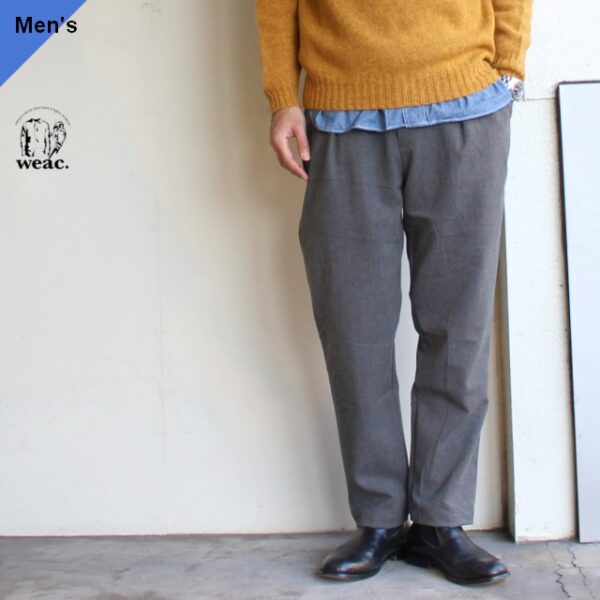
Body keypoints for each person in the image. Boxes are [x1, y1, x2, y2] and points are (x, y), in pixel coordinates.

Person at [255, 0, 533, 587]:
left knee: (458, 330)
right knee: (354, 329)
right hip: (342, 117)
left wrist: (509, 70)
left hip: (466, 107)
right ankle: (379, 518)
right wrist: (283, 97)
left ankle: (440, 521)